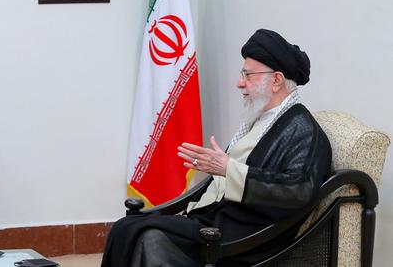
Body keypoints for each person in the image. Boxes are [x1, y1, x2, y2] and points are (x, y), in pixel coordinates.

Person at [101, 29, 332, 267]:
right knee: (127, 229)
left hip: (246, 237)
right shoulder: (263, 119)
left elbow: (298, 190)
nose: (239, 83)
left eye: (248, 75)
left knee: (144, 235)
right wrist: (220, 168)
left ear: (276, 80)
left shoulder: (304, 131)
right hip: (217, 219)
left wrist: (228, 169)